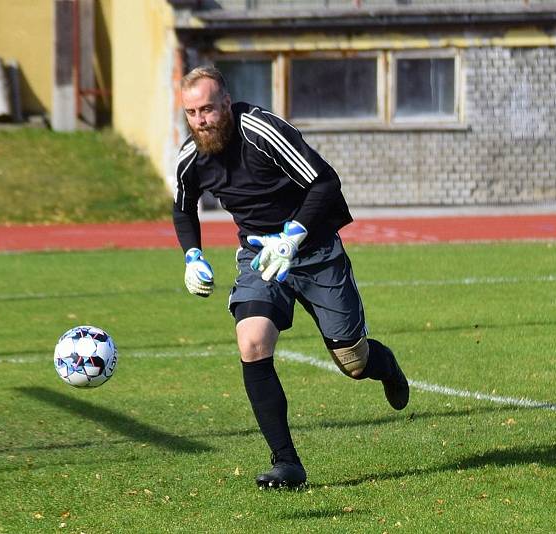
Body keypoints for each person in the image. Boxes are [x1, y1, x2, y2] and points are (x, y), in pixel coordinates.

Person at [173, 66, 409, 489]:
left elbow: (325, 182)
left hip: (315, 251)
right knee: (252, 342)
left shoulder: (262, 131)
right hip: (261, 258)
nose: (201, 120)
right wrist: (192, 255)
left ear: (226, 102)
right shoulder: (191, 157)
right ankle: (287, 463)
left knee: (353, 363)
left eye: (208, 108)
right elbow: (183, 206)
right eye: (191, 112)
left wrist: (293, 236)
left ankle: (385, 365)